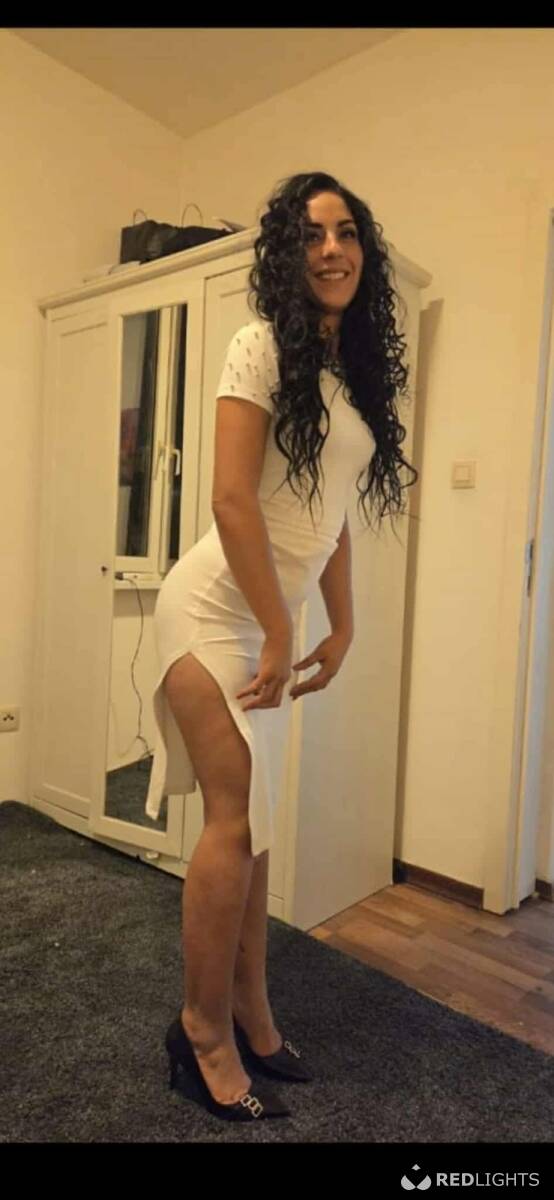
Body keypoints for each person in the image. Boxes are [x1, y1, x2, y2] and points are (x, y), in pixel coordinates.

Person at [147, 171, 418, 1122]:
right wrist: (278, 625)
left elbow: (329, 519)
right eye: (310, 235)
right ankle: (200, 1031)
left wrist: (343, 624)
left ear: (363, 253)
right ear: (285, 254)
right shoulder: (258, 345)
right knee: (233, 823)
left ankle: (253, 1014)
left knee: (255, 833)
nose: (331, 250)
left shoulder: (352, 378)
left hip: (269, 619)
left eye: (346, 233)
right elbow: (231, 500)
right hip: (212, 610)